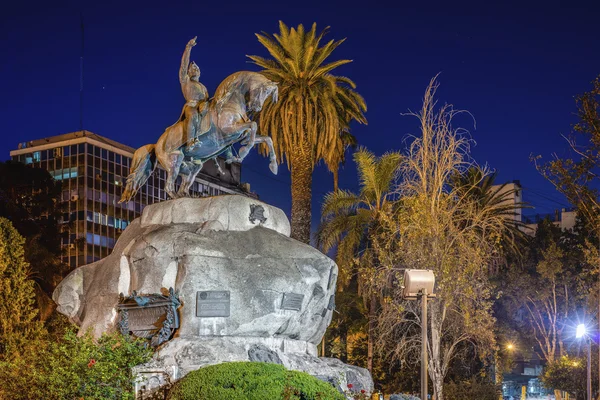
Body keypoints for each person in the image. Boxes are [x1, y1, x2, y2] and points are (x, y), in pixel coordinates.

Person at [178, 36, 209, 155]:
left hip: (203, 107)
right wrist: (188, 48)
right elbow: (184, 65)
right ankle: (190, 141)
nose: (195, 69)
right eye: (192, 68)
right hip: (191, 106)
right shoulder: (185, 81)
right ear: (189, 72)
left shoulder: (203, 87)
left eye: (196, 68)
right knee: (193, 115)